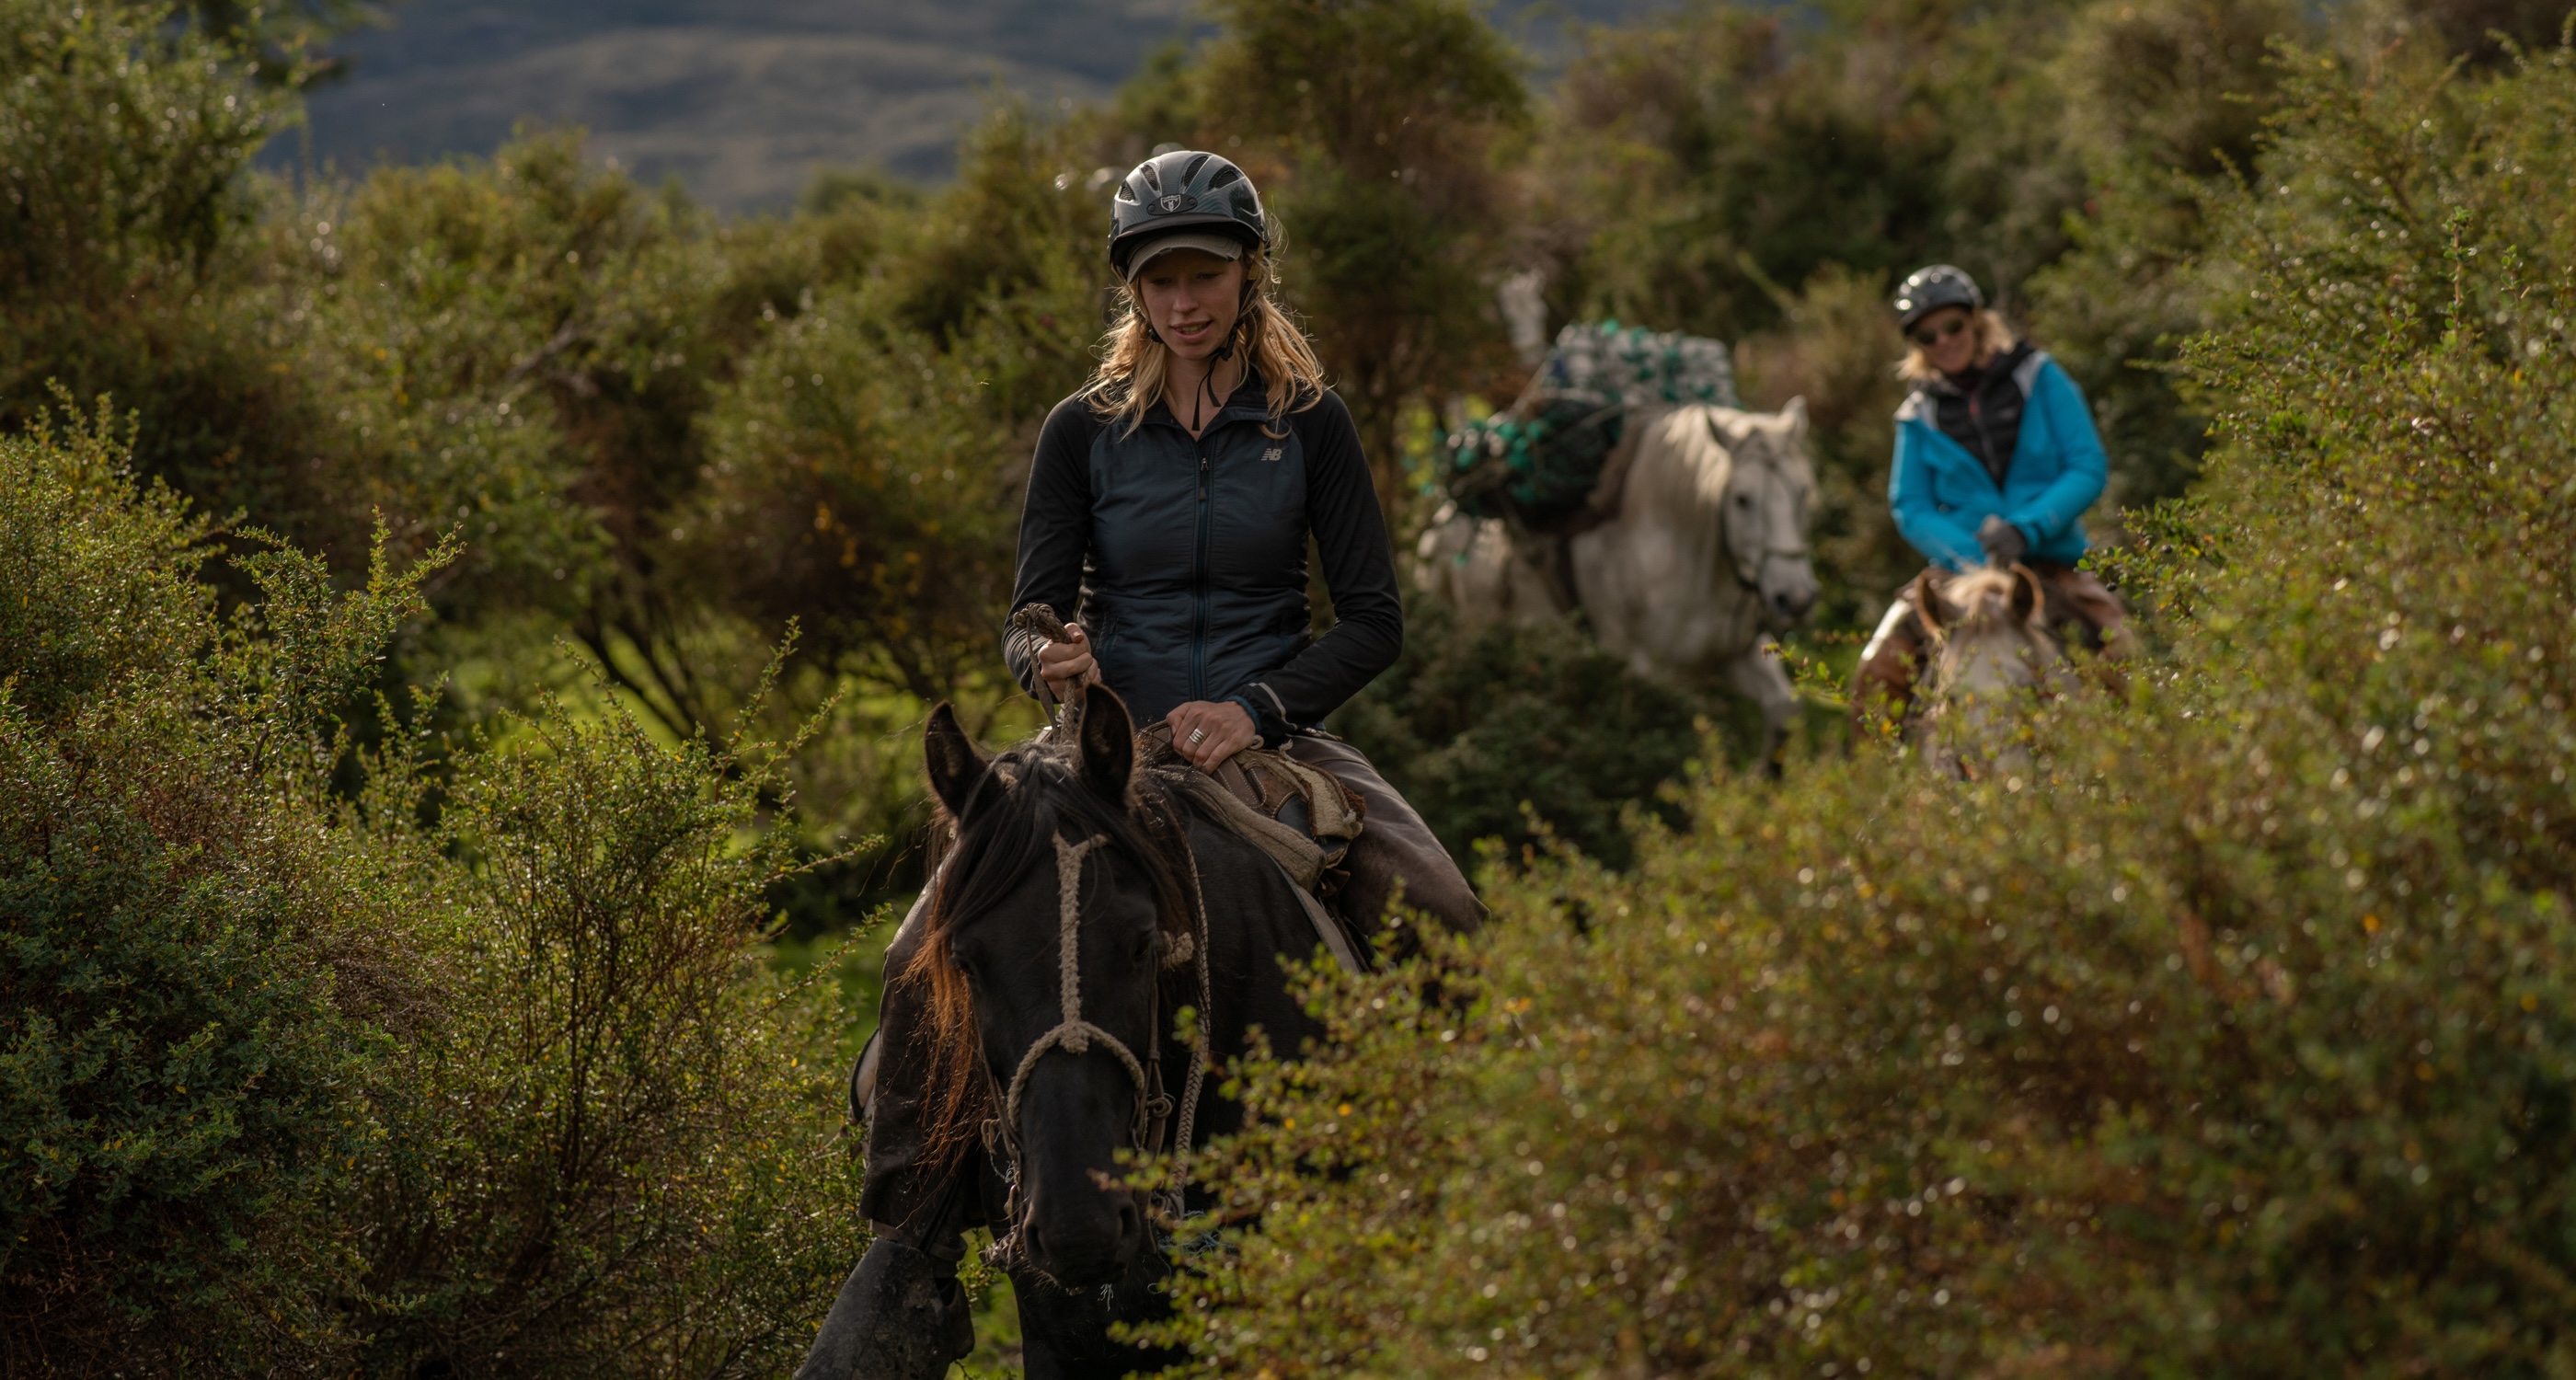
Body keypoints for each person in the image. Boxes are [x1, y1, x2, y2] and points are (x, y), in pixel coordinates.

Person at [799, 149, 1478, 1380]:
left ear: (1249, 275)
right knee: (922, 956)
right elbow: (1028, 613)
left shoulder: (1311, 425)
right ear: (1134, 292)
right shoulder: (1084, 430)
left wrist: (1261, 709)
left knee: (1444, 909)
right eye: (1160, 279)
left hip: (1261, 740)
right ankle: (915, 1244)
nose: (1184, 301)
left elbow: (1374, 617)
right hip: (1103, 750)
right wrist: (1044, 659)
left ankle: (1446, 1199)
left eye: (1206, 275)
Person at [1852, 264, 2135, 728]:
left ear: (1976, 320)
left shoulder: (2041, 376)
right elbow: (1910, 505)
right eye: (1927, 336)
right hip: (1960, 574)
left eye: (1953, 326)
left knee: (2119, 653)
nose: (1944, 341)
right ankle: (1878, 794)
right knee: (1877, 670)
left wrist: (2027, 528)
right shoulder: (1916, 416)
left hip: (2050, 561)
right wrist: (1970, 553)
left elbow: (2085, 464)